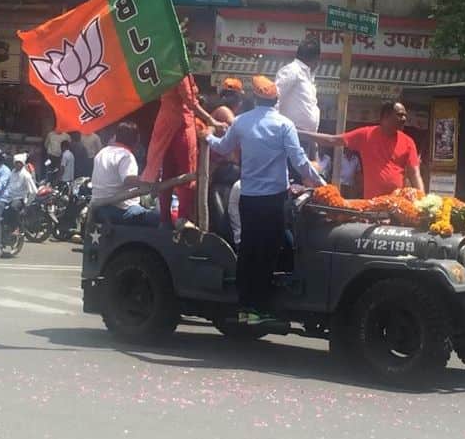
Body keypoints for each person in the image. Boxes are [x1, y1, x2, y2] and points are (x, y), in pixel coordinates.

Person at [205, 76, 325, 324]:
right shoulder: (284, 125)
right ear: (276, 100)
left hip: (249, 198)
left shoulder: (241, 123)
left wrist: (206, 136)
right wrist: (322, 184)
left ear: (254, 98)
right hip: (274, 200)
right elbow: (300, 162)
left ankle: (246, 306)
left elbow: (222, 147)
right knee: (270, 251)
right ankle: (260, 306)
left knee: (249, 250)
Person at [141, 74, 225, 228]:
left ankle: (165, 219)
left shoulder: (166, 67)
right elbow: (190, 101)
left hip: (165, 125)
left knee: (168, 174)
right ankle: (182, 217)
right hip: (181, 124)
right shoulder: (179, 70)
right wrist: (211, 120)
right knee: (187, 172)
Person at [299, 100, 424, 198]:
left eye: (405, 115)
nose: (404, 119)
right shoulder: (366, 135)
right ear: (385, 117)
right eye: (400, 115)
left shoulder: (408, 142)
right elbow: (332, 140)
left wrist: (422, 200)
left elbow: (415, 174)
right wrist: (298, 133)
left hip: (398, 205)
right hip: (372, 205)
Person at [92, 122, 159, 227]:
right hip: (121, 209)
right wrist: (148, 179)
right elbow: (129, 180)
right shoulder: (126, 156)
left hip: (99, 208)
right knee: (160, 220)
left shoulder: (102, 152)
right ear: (136, 140)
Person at [275, 37, 322, 162]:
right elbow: (276, 99)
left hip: (306, 139)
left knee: (301, 179)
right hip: (291, 136)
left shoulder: (308, 76)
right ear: (316, 59)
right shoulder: (292, 71)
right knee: (293, 177)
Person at [1, 153, 37, 253]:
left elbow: (34, 191)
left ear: (22, 164)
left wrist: (27, 204)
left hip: (19, 199)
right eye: (16, 163)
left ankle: (17, 227)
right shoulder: (12, 172)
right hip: (7, 197)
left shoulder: (26, 175)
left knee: (13, 208)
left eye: (19, 163)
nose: (17, 165)